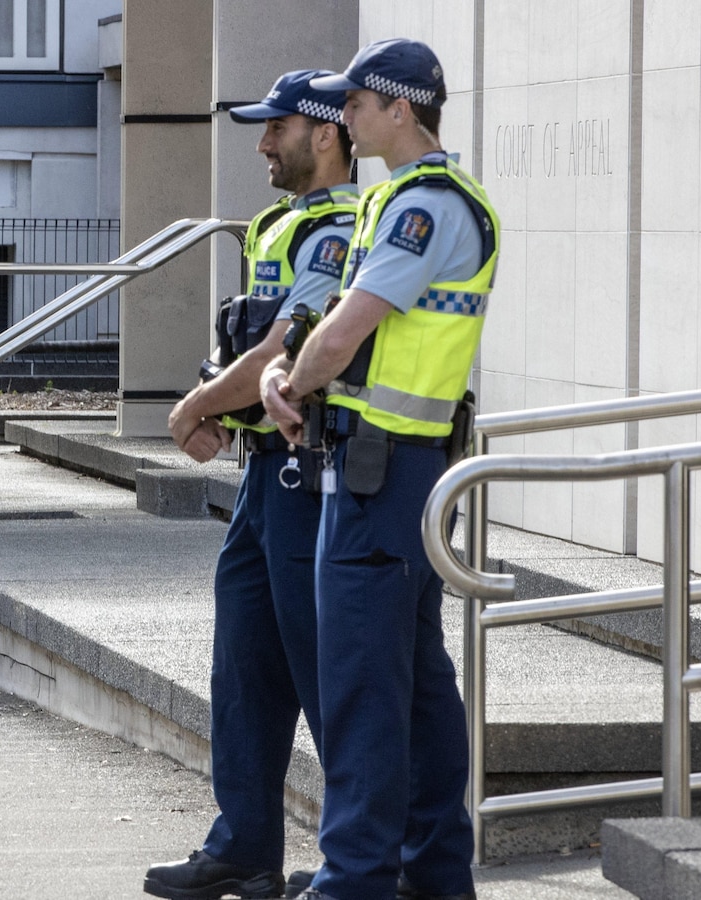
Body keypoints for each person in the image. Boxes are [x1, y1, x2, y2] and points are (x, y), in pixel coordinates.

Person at [261, 40, 500, 900]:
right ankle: (431, 874)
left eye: (356, 103)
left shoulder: (426, 207)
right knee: (417, 686)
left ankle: (354, 880)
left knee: (362, 686)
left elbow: (346, 326)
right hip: (383, 471)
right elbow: (316, 318)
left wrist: (288, 377)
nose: (345, 117)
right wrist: (276, 372)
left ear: (401, 109)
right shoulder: (392, 201)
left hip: (384, 471)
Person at [145, 70, 358, 900]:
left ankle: (355, 855)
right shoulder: (282, 224)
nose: (263, 144)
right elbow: (256, 348)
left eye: (277, 130)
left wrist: (194, 406)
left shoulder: (336, 229)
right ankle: (244, 849)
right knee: (244, 671)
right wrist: (230, 412)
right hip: (266, 477)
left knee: (327, 673)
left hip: (318, 482)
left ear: (326, 135)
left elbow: (281, 348)